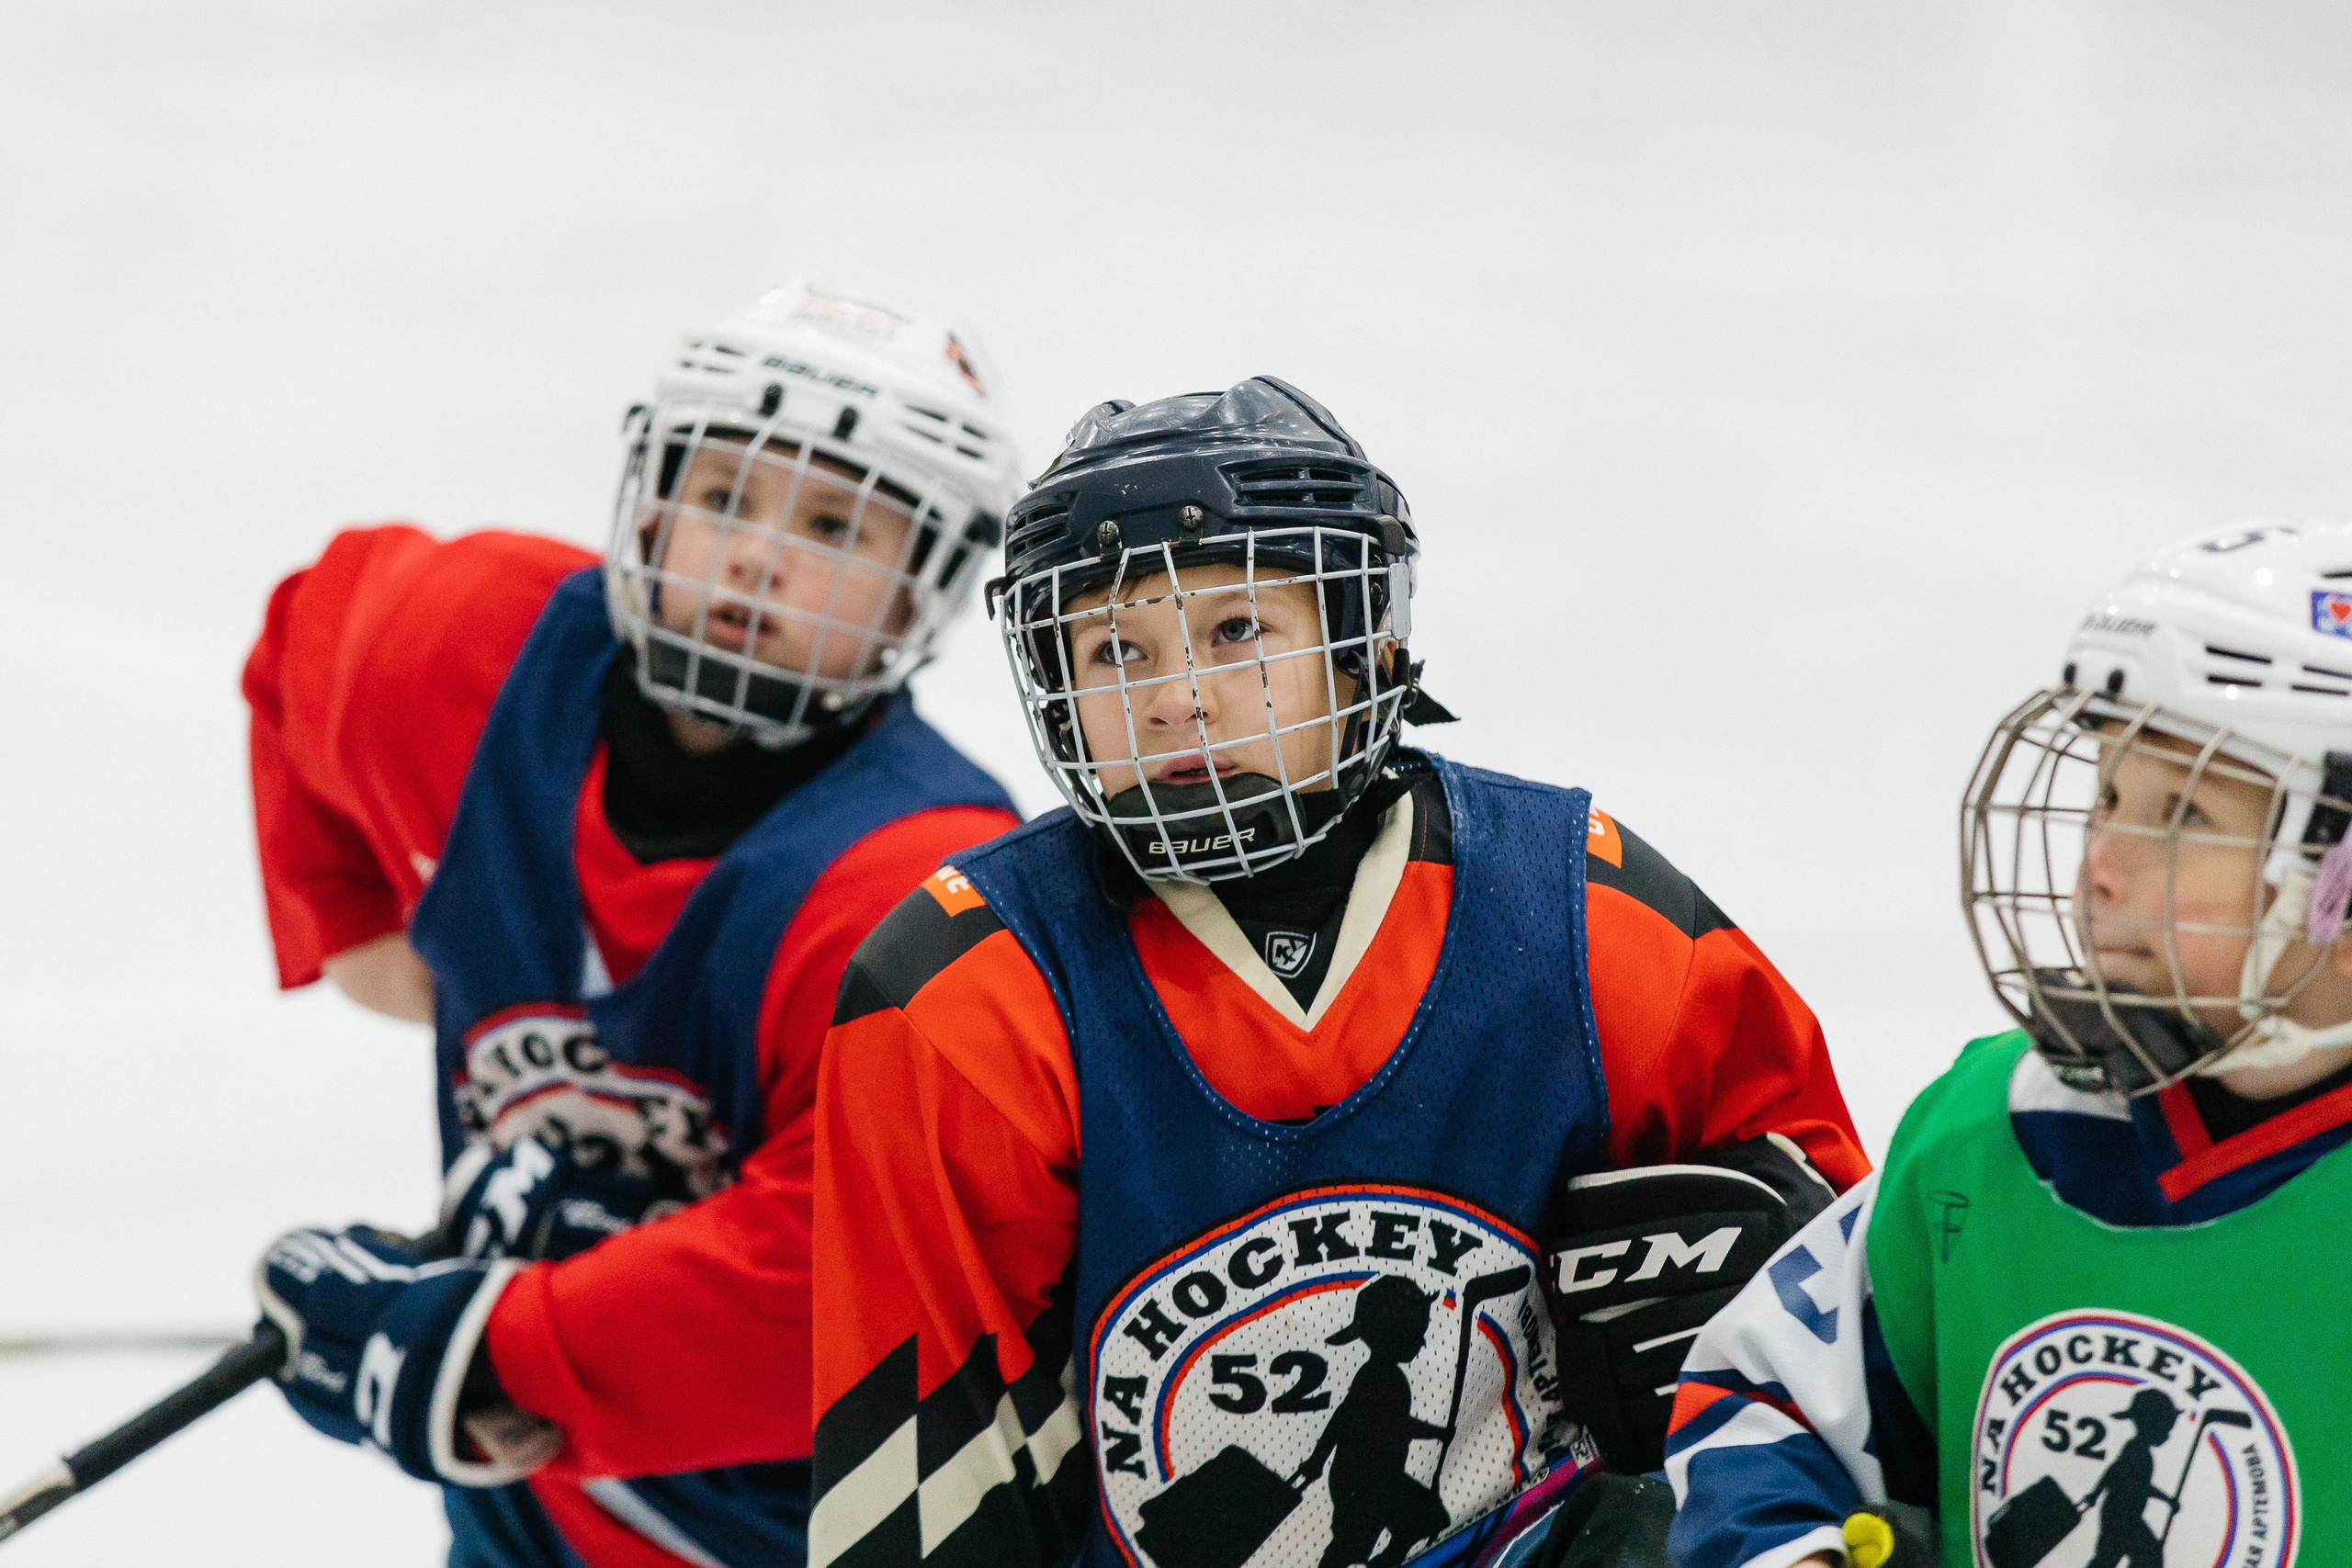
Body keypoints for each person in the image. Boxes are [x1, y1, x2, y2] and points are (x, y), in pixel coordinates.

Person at [805, 378, 1870, 1568]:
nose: (1175, 698)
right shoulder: (960, 996)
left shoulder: (1590, 918)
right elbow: (926, 1494)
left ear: (1369, 642)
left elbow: (1850, 1339)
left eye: (1238, 631)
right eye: (1114, 648)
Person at [239, 279, 1027, 1568]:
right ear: (649, 497)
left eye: (836, 523)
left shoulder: (927, 885)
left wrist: (486, 1346)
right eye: (723, 498)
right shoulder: (464, 650)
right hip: (517, 1488)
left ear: (925, 589)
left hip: (795, 1523)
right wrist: (366, 939)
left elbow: (838, 1274)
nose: (760, 556)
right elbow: (302, 642)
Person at [1666, 521, 2352, 1568]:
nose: (2102, 865)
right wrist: (1786, 1550)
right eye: (2111, 796)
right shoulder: (1997, 1126)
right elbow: (1768, 1395)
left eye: (2182, 817)